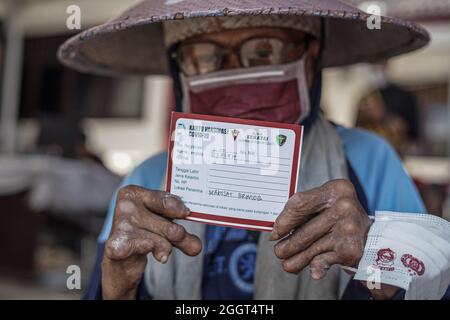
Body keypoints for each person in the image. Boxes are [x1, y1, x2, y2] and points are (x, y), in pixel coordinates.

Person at [59, 0, 448, 300]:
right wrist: (117, 283)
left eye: (263, 52)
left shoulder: (368, 160)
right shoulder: (147, 180)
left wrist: (376, 255)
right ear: (179, 70)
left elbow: (433, 283)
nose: (234, 74)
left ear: (310, 58)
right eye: (206, 57)